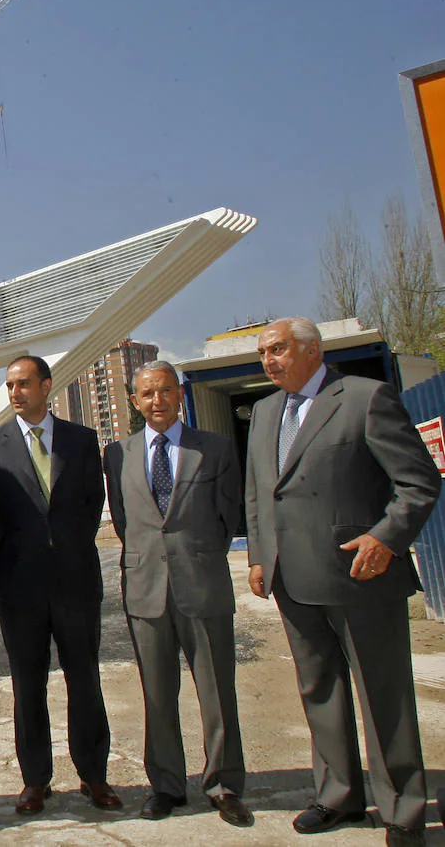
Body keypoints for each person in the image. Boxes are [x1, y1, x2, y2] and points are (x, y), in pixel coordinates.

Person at [246, 318, 438, 847]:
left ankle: (403, 810)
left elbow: (417, 482)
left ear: (312, 350)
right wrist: (261, 557)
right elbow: (261, 495)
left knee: (384, 696)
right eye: (263, 353)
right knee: (320, 691)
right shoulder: (264, 413)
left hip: (361, 578)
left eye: (278, 349)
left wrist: (385, 538)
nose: (269, 360)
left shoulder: (363, 399)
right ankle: (338, 796)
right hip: (292, 580)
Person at [102, 362, 252, 827]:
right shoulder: (118, 454)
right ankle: (166, 785)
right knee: (157, 694)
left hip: (202, 584)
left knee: (216, 691)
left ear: (179, 395)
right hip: (146, 588)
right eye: (147, 394)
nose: (157, 400)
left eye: (165, 390)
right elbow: (126, 522)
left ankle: (224, 785)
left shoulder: (216, 448)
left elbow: (230, 516)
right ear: (135, 401)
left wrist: (196, 556)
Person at [0, 355, 119, 815]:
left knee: (85, 681)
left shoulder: (81, 441)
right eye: (9, 386)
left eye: (23, 384)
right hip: (19, 589)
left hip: (76, 584)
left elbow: (88, 505)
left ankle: (94, 776)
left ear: (46, 386)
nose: (15, 393)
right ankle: (35, 781)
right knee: (28, 686)